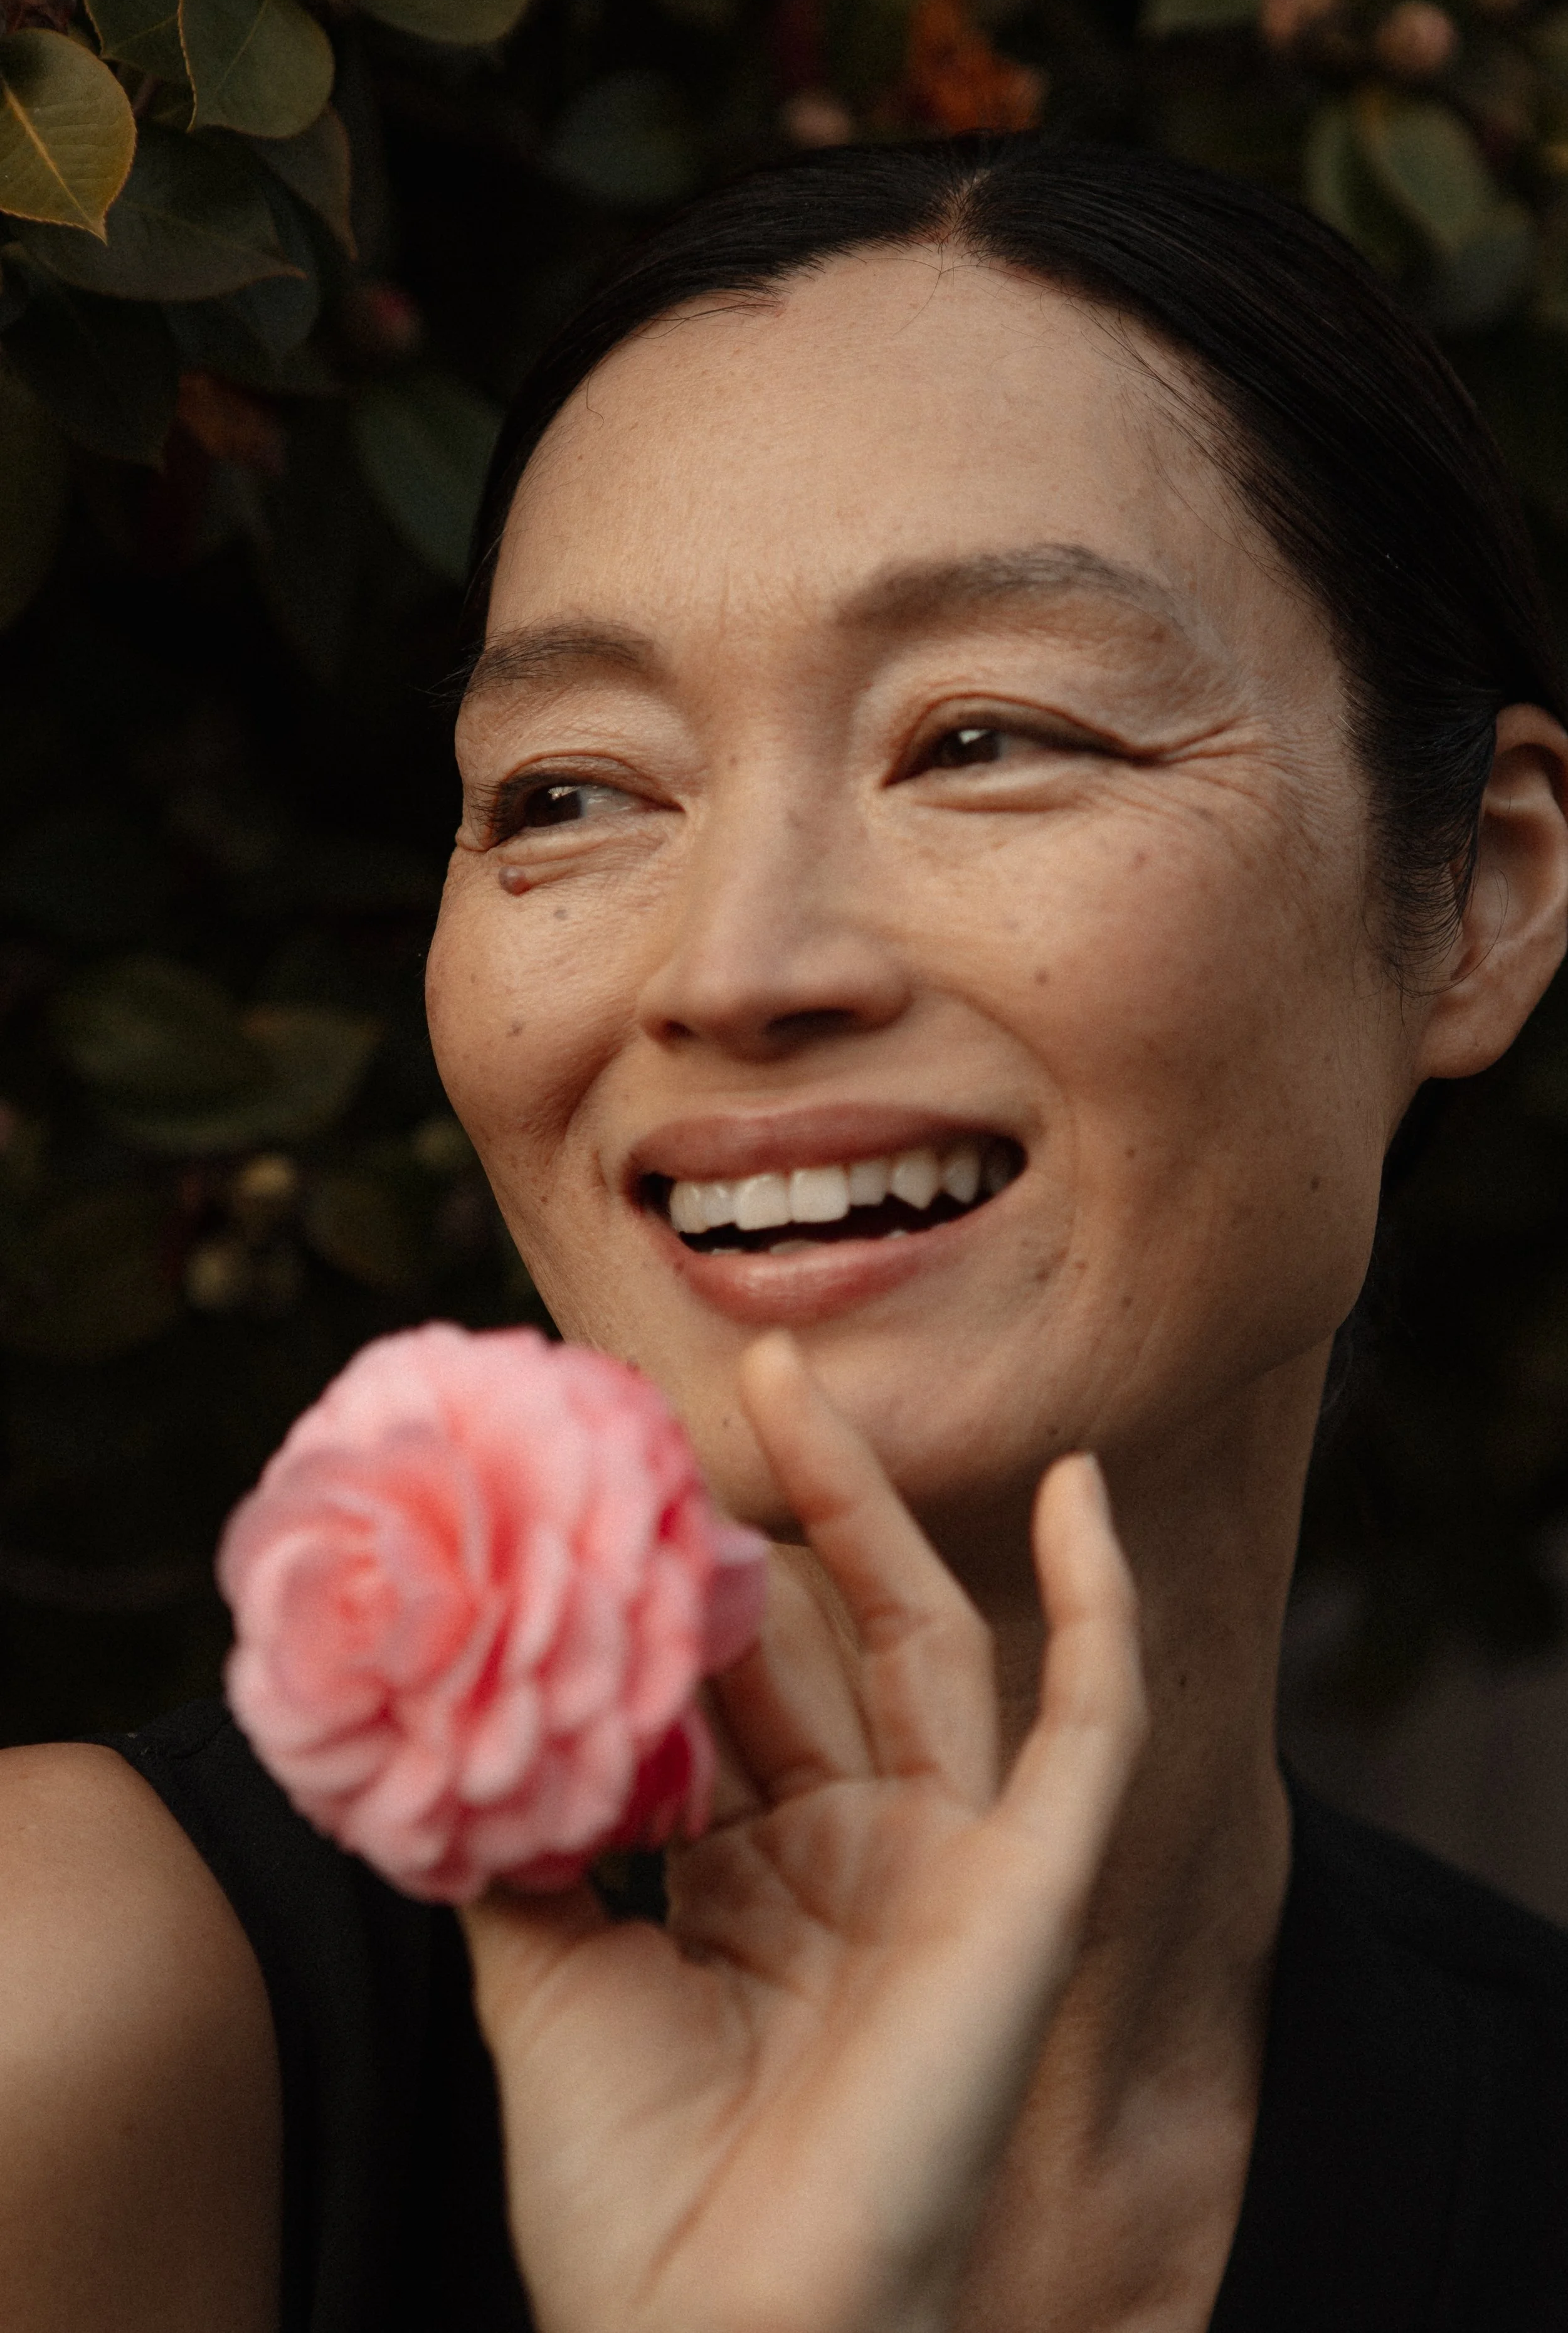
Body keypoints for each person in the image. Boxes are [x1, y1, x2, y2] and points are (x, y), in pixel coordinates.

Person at [3, 131, 1567, 2333]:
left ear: (1481, 895)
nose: (733, 967)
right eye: (568, 789)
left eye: (985, 737)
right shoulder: (78, 2012)